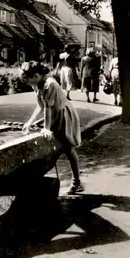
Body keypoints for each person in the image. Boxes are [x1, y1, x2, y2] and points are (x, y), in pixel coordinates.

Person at [20, 61, 84, 195]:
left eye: (28, 80)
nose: (27, 84)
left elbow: (48, 108)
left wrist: (47, 128)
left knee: (67, 148)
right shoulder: (38, 84)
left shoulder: (50, 84)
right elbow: (41, 106)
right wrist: (30, 122)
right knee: (56, 146)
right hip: (54, 114)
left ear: (36, 75)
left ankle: (76, 182)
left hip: (64, 116)